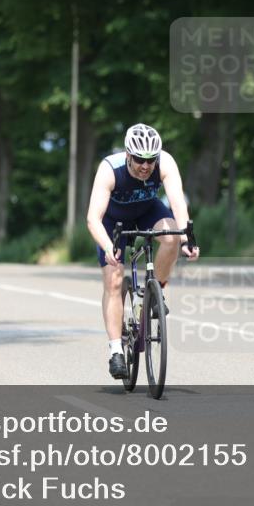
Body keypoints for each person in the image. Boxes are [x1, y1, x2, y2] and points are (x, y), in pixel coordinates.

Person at [85, 123, 199, 379]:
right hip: (113, 222)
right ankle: (116, 350)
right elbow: (93, 218)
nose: (145, 166)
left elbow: (178, 203)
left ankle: (152, 294)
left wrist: (187, 239)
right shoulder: (109, 169)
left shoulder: (165, 162)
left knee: (171, 237)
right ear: (127, 154)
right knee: (114, 278)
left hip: (148, 210)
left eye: (150, 160)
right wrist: (107, 247)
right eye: (139, 160)